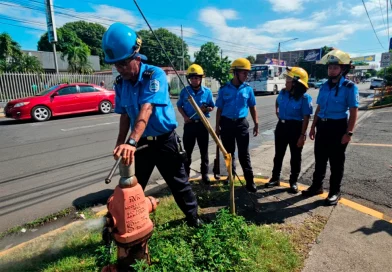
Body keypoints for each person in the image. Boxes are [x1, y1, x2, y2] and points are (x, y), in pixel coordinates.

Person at [102, 22, 202, 227]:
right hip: (141, 145)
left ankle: (194, 219)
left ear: (136, 58)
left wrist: (130, 141)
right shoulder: (121, 83)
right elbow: (124, 116)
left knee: (179, 184)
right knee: (132, 185)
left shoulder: (154, 75)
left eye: (123, 63)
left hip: (165, 141)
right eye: (116, 65)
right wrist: (121, 143)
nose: (120, 69)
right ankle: (124, 224)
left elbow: (146, 109)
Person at [302, 49, 359, 206]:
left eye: (335, 67)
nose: (331, 70)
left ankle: (335, 191)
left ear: (342, 69)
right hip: (323, 126)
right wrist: (313, 127)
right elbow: (319, 108)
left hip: (338, 127)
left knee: (336, 162)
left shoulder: (349, 87)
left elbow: (354, 112)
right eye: (330, 67)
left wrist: (349, 132)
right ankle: (316, 186)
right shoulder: (324, 86)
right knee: (320, 159)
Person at [265, 67, 313, 193]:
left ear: (296, 83)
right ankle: (275, 178)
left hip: (296, 128)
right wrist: (278, 112)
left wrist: (302, 135)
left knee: (295, 156)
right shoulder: (282, 93)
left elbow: (306, 117)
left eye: (289, 80)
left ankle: (293, 182)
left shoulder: (304, 98)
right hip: (281, 127)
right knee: (278, 154)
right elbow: (277, 103)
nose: (286, 82)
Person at [215, 58, 258, 193]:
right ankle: (230, 176)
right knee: (229, 154)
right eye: (244, 73)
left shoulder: (248, 90)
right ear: (235, 73)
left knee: (244, 154)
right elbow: (219, 109)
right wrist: (217, 127)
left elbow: (252, 107)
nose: (246, 76)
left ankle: (249, 181)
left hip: (241, 124)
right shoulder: (224, 89)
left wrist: (256, 123)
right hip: (226, 124)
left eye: (247, 73)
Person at [177, 64, 215, 185]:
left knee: (204, 151)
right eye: (192, 78)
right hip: (190, 125)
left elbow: (212, 106)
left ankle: (204, 174)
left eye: (197, 78)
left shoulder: (207, 92)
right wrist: (185, 117)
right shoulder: (185, 92)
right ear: (189, 79)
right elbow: (179, 105)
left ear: (201, 79)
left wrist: (207, 109)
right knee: (187, 151)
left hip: (202, 124)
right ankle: (186, 174)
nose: (194, 80)